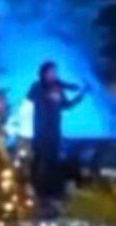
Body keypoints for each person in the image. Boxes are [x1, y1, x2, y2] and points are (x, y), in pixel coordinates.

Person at [27, 61, 86, 201]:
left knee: (53, 161)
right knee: (39, 160)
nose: (53, 75)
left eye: (55, 72)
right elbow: (31, 97)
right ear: (43, 73)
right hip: (41, 131)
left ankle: (50, 192)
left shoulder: (58, 88)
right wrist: (51, 91)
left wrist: (81, 96)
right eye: (50, 72)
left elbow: (66, 105)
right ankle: (34, 190)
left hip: (55, 131)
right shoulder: (37, 87)